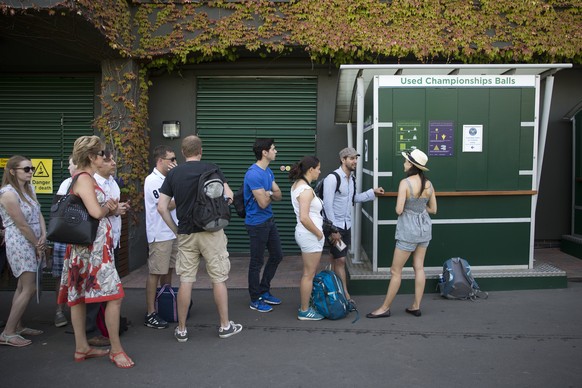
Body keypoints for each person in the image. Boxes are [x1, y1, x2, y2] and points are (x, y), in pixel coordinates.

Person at [57, 136, 134, 368]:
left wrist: (106, 209)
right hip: (94, 249)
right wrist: (108, 207)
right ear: (92, 157)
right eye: (102, 154)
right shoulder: (84, 179)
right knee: (115, 296)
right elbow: (95, 213)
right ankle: (116, 350)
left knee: (79, 297)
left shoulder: (83, 178)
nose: (106, 157)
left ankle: (82, 348)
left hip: (87, 247)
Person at [157, 135, 242, 342]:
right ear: (200, 150)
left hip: (186, 233)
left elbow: (161, 207)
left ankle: (182, 330)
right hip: (212, 231)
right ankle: (224, 326)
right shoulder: (212, 168)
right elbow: (229, 196)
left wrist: (176, 229)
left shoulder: (173, 174)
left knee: (186, 280)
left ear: (183, 152)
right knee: (219, 279)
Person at [367, 149, 437, 318]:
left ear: (412, 165)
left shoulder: (405, 183)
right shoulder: (428, 184)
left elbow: (399, 210)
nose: (404, 163)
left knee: (395, 271)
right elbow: (433, 209)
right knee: (419, 267)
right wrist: (420, 208)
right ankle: (416, 305)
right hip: (424, 228)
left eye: (406, 161)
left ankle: (384, 308)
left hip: (408, 230)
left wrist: (408, 208)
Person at [322, 147, 384, 304]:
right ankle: (345, 295)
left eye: (356, 158)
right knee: (341, 260)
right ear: (343, 160)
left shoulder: (352, 179)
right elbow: (327, 205)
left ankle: (330, 288)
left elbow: (353, 198)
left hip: (346, 225)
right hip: (335, 227)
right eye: (351, 158)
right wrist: (333, 230)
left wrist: (372, 192)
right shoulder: (332, 178)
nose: (355, 161)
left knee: (335, 258)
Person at [0, 155, 46, 347]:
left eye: (32, 168)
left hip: (34, 240)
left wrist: (44, 234)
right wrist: (37, 243)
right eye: (26, 169)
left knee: (21, 286)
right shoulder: (8, 194)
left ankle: (17, 326)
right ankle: (8, 333)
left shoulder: (29, 189)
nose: (31, 172)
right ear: (12, 171)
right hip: (20, 242)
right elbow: (22, 225)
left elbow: (38, 213)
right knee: (29, 287)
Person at [243, 138, 284, 313]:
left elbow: (279, 194)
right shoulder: (253, 174)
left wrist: (268, 193)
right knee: (256, 262)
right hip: (256, 224)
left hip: (269, 221)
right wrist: (269, 193)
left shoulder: (268, 172)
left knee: (277, 255)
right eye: (273, 149)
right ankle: (254, 298)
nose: (276, 151)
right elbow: (262, 203)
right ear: (264, 153)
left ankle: (264, 290)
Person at [143, 145, 178, 329]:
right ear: (160, 161)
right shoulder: (153, 180)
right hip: (160, 233)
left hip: (172, 231)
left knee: (169, 269)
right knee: (156, 272)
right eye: (171, 159)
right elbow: (166, 205)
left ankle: (165, 303)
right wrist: (182, 192)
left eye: (175, 159)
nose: (174, 162)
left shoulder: (168, 178)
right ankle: (150, 312)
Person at [289, 156, 325, 321]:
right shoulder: (306, 190)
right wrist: (318, 233)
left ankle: (306, 304)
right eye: (318, 168)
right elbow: (304, 217)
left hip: (306, 235)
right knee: (308, 274)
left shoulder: (298, 185)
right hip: (310, 236)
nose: (319, 171)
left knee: (308, 273)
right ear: (311, 170)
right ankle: (304, 310)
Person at [51, 156, 77, 328]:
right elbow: (57, 209)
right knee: (61, 274)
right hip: (64, 236)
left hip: (79, 236)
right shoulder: (66, 183)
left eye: (71, 164)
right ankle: (59, 310)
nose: (68, 167)